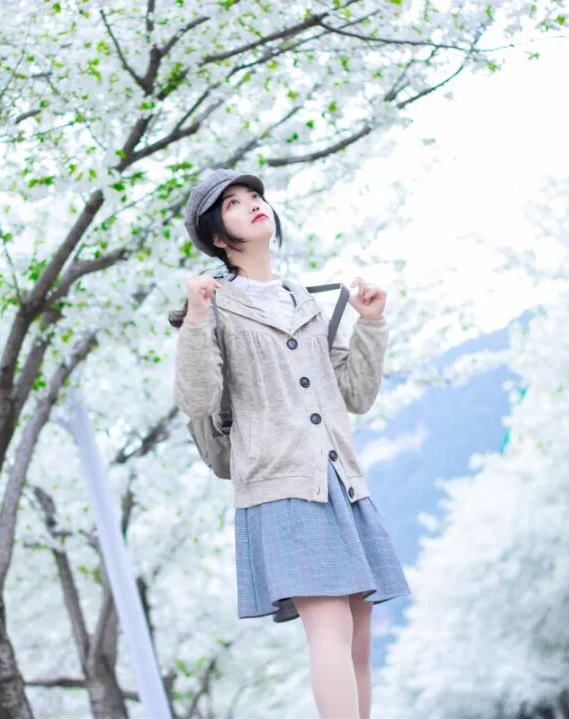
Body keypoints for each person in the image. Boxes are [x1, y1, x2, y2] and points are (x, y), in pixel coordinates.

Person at [169, 168, 411, 719]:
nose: (253, 204)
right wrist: (198, 319)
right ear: (216, 236)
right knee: (330, 627)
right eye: (234, 203)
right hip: (281, 483)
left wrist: (371, 325)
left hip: (340, 480)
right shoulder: (215, 306)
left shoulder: (305, 300)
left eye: (255, 196)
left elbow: (355, 393)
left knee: (359, 639)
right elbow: (198, 398)